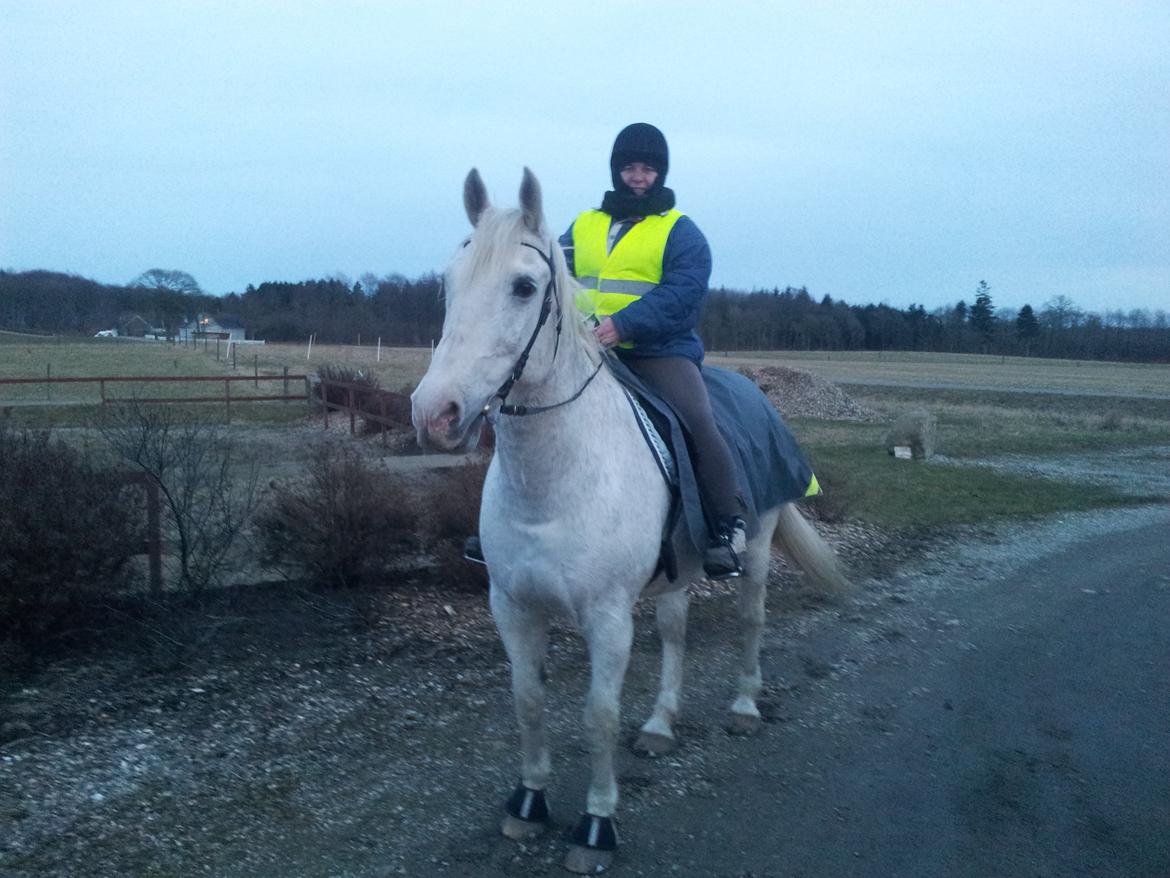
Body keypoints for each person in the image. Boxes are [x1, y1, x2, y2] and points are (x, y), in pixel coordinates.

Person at [560, 122, 747, 579]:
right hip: (586, 349)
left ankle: (729, 525)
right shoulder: (583, 224)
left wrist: (623, 325)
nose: (638, 177)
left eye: (647, 169)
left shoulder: (681, 232)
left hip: (658, 351)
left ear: (659, 173)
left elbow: (683, 295)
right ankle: (504, 529)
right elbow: (554, 278)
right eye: (629, 168)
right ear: (615, 171)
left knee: (696, 419)